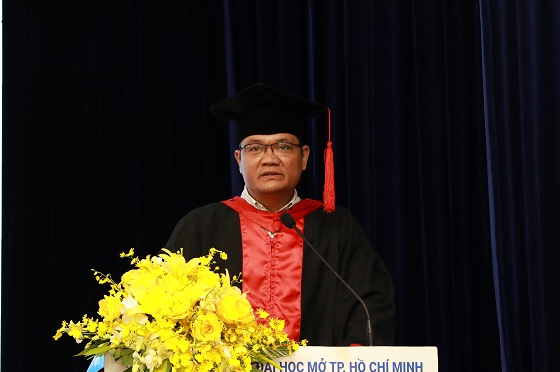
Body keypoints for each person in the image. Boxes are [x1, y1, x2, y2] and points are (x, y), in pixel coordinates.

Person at [164, 83, 397, 346]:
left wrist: (355, 358)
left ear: (304, 157)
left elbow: (371, 306)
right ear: (238, 159)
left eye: (283, 146)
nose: (270, 158)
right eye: (255, 148)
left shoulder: (337, 227)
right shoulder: (201, 227)